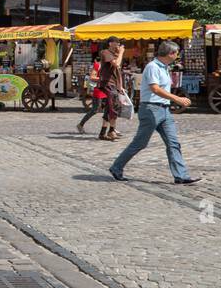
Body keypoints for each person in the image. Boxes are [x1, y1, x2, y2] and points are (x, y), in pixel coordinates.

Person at [110, 42, 200, 185]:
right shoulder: (153, 67)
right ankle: (116, 167)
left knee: (173, 143)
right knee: (140, 143)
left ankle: (181, 176)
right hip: (151, 109)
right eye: (176, 53)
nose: (177, 56)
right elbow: (155, 89)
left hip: (164, 109)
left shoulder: (164, 67)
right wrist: (177, 98)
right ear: (170, 53)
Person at [95, 38, 126, 141]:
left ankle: (103, 133)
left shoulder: (115, 55)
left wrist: (120, 86)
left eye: (119, 43)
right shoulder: (105, 52)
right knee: (114, 106)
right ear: (110, 43)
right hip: (107, 83)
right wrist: (121, 52)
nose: (118, 44)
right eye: (116, 42)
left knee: (110, 107)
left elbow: (118, 72)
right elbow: (116, 64)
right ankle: (111, 131)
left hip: (114, 84)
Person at [76, 55, 105, 134]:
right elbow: (92, 77)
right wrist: (102, 79)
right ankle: (80, 124)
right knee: (95, 110)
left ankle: (111, 128)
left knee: (110, 109)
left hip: (106, 90)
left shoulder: (108, 66)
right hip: (99, 90)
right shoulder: (97, 65)